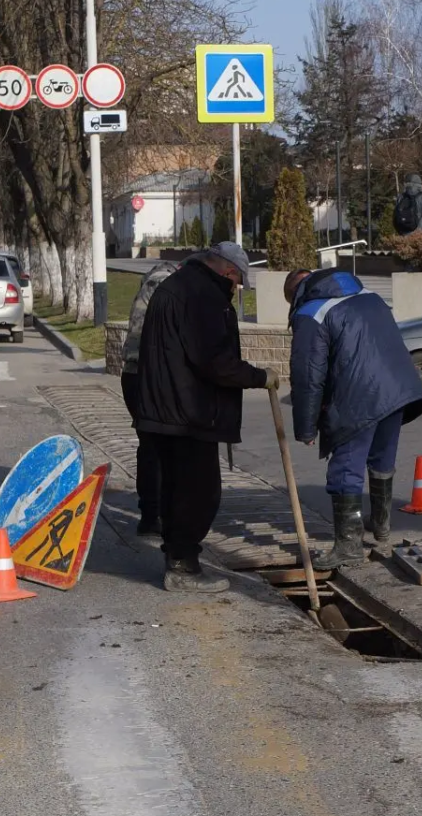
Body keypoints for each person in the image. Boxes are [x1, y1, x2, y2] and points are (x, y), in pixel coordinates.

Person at [135, 242, 279, 593]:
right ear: (229, 273)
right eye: (237, 282)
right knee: (199, 493)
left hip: (166, 408)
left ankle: (178, 559)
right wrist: (259, 376)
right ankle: (183, 567)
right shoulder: (202, 297)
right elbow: (214, 360)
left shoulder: (176, 285)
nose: (235, 289)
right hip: (189, 412)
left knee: (174, 488)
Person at [284, 268, 422, 568]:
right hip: (397, 390)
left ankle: (349, 547)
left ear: (297, 293)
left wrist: (306, 427)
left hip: (358, 398)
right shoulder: (370, 297)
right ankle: (381, 529)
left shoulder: (312, 312)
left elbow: (308, 375)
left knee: (345, 470)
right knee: (381, 459)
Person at [120, 260, 178, 536]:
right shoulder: (164, 282)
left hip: (141, 373)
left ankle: (153, 513)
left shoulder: (157, 278)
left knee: (153, 446)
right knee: (157, 447)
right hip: (146, 374)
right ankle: (155, 513)